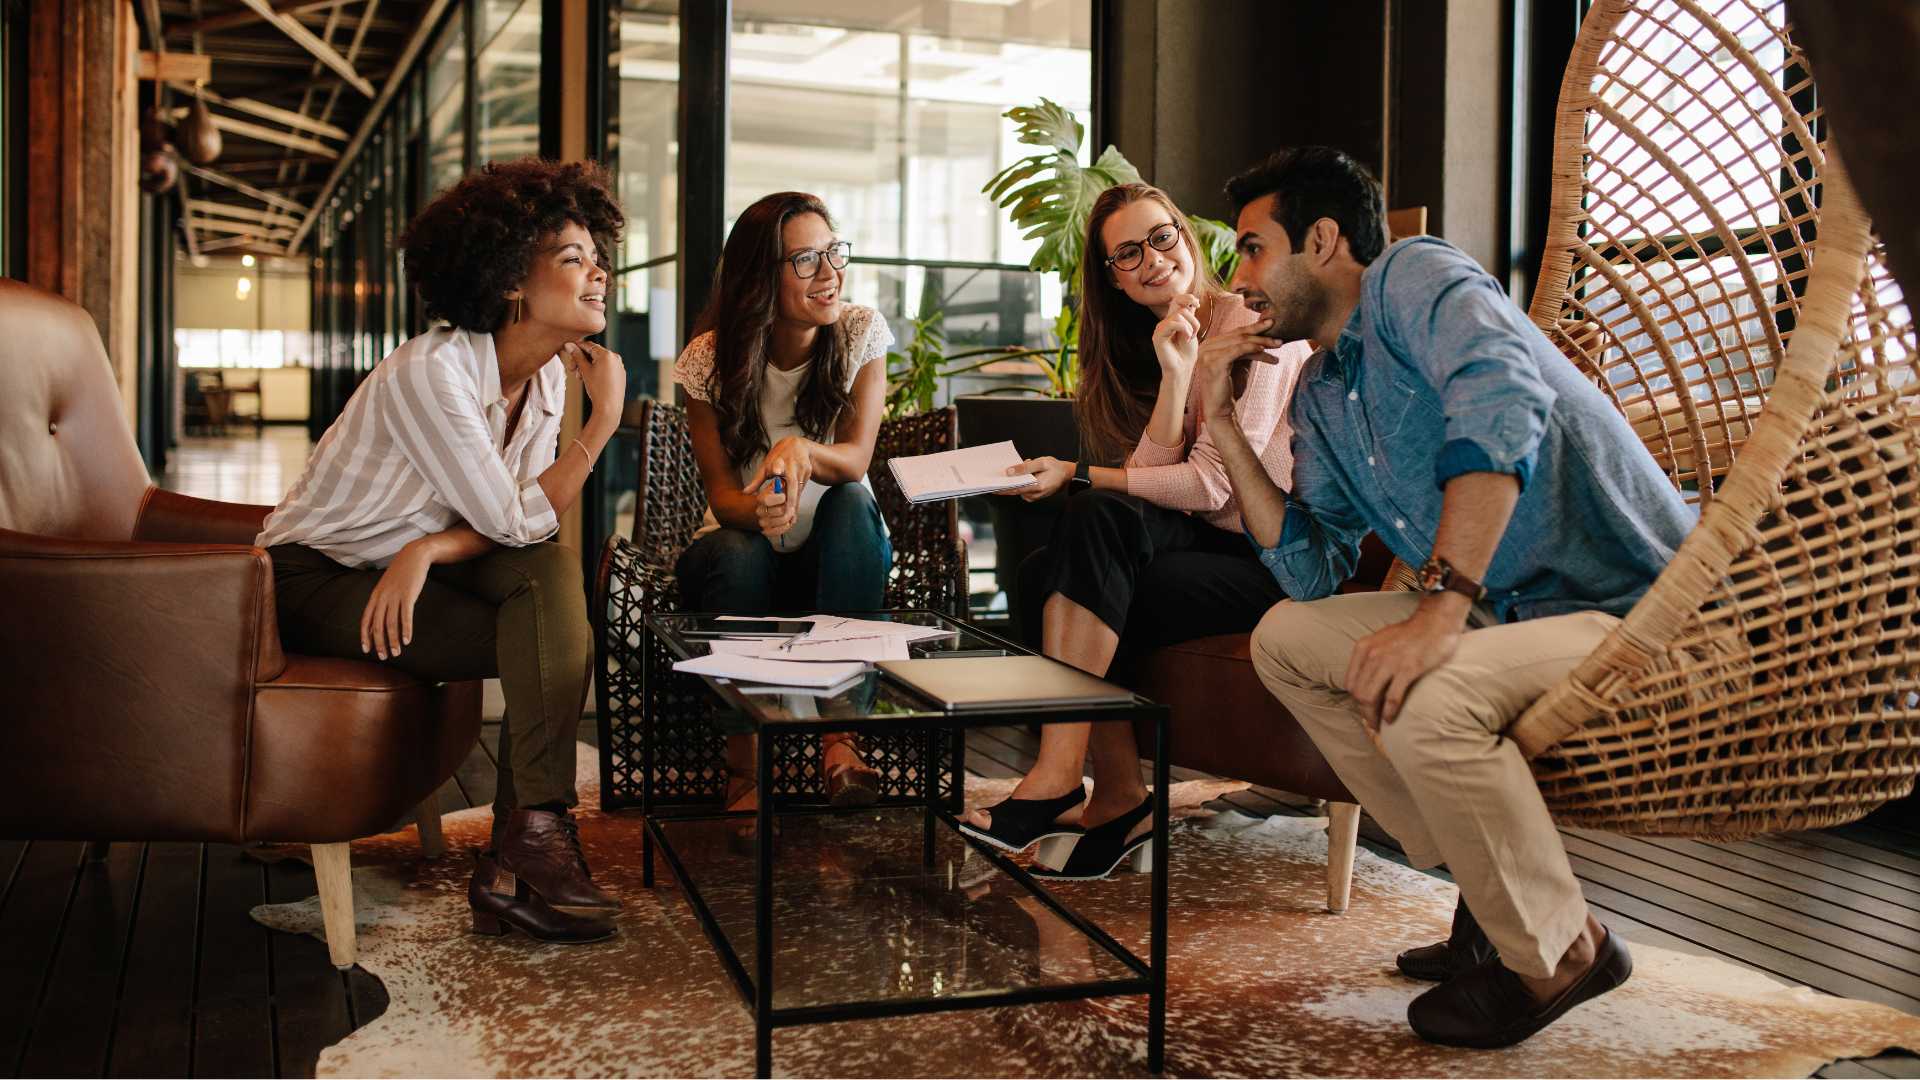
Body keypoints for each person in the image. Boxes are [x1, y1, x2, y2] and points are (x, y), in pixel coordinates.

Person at [1193, 146, 1695, 1047]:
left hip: (1633, 608)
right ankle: (1490, 893)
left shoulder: (1413, 279)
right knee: (1287, 638)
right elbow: (1310, 569)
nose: (1240, 280)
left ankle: (1564, 952)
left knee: (1431, 699)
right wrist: (1221, 419)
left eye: (1252, 249)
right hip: (1511, 616)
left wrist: (1442, 607)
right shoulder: (1324, 389)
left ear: (1322, 238)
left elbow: (1502, 396)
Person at [256, 158, 629, 944]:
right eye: (573, 258)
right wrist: (603, 428)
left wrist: (426, 548)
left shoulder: (550, 380)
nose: (599, 271)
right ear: (510, 283)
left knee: (545, 580)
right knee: (541, 618)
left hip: (409, 565)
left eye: (598, 255)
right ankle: (520, 855)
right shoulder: (433, 371)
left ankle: (526, 842)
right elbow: (513, 515)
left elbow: (519, 526)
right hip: (312, 579)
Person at [958, 182, 1314, 880]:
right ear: (1114, 280)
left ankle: (1061, 778)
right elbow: (1157, 475)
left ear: (1187, 237)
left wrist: (1080, 472)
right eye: (1128, 253)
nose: (1152, 259)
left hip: (1270, 556)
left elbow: (1212, 486)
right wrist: (1176, 373)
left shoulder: (1250, 324)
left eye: (1161, 237)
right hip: (1206, 544)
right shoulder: (1163, 340)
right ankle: (1119, 795)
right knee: (1048, 568)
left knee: (1091, 517)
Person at [671, 191, 894, 814]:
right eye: (806, 261)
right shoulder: (708, 360)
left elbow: (855, 459)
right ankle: (744, 766)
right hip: (745, 543)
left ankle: (839, 741)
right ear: (759, 278)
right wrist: (763, 511)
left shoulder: (858, 333)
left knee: (850, 502)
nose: (830, 275)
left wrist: (800, 451)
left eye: (833, 253)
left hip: (839, 551)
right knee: (737, 555)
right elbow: (719, 495)